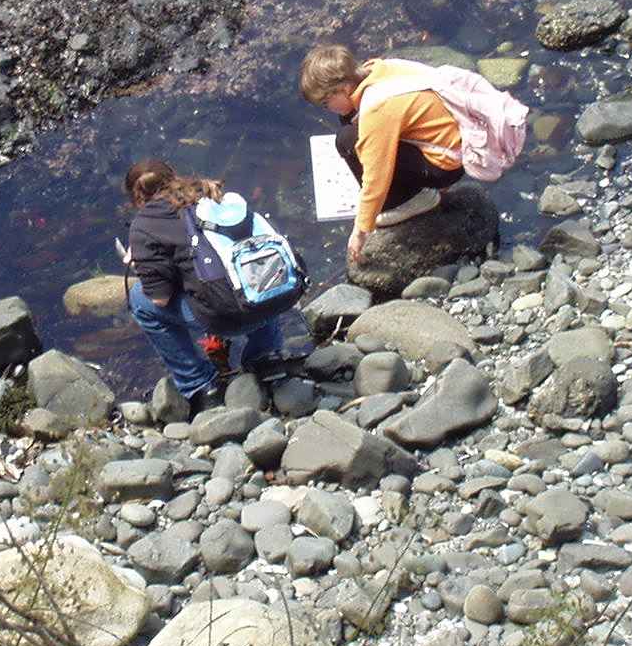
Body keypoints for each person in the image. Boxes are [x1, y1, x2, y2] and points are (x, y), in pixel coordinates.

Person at [122, 158, 287, 412]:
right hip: (272, 301)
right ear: (174, 176)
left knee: (138, 299)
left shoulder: (144, 225)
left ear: (138, 199)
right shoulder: (212, 193)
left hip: (228, 315)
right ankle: (266, 356)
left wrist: (140, 265)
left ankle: (200, 385)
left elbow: (160, 299)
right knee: (250, 268)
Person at [299, 44, 466, 265]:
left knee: (347, 140)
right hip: (455, 139)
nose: (327, 108)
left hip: (445, 164)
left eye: (325, 102)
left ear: (343, 88)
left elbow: (376, 177)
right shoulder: (379, 69)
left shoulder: (376, 108)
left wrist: (361, 231)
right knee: (350, 120)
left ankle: (409, 201)